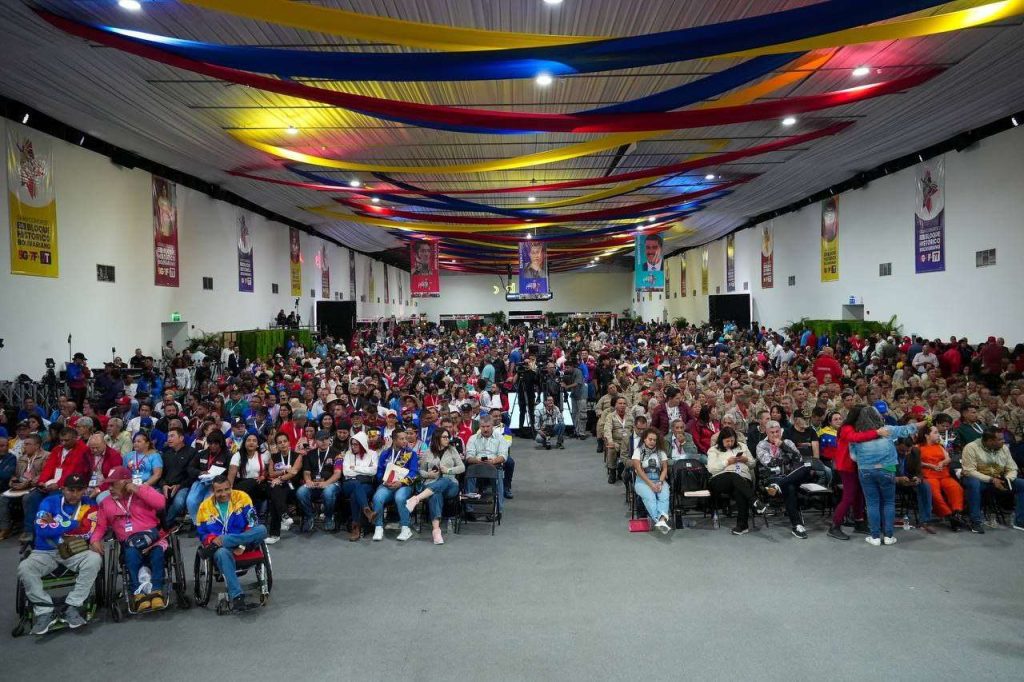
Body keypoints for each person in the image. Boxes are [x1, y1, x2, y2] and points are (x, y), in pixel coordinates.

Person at [17, 474, 100, 634]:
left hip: (75, 550)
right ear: (63, 489)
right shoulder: (48, 502)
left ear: (84, 490)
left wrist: (55, 523)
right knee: (25, 568)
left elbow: (88, 530)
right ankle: (44, 610)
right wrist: (74, 524)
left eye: (79, 490)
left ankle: (73, 605)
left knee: (94, 559)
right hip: (45, 551)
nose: (74, 494)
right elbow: (41, 529)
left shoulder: (90, 504)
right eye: (70, 490)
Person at [90, 466, 168, 611]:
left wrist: (137, 490)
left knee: (157, 552)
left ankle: (157, 590)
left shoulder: (143, 491)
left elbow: (161, 503)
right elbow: (100, 526)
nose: (110, 488)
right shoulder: (106, 502)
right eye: (109, 484)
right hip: (128, 543)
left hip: (152, 538)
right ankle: (138, 594)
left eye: (114, 484)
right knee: (130, 554)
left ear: (127, 482)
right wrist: (94, 540)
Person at [848, 406, 924, 545]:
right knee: (889, 502)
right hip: (887, 469)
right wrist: (927, 421)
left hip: (865, 470)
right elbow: (908, 429)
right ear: (877, 417)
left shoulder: (856, 435)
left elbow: (853, 457)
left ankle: (875, 537)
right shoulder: (888, 430)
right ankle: (889, 536)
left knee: (872, 503)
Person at [195, 475, 269, 613]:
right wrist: (211, 540)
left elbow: (252, 523)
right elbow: (202, 533)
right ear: (213, 491)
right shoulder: (204, 507)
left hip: (244, 544)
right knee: (222, 552)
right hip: (221, 548)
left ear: (231, 487)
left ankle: (226, 540)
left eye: (226, 489)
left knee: (262, 530)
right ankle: (237, 597)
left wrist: (242, 545)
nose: (223, 494)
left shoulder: (242, 497)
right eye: (219, 491)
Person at [25, 427, 90, 543]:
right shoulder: (57, 449)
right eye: (61, 440)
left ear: (75, 438)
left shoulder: (83, 450)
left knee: (51, 498)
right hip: (51, 483)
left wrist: (58, 485)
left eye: (67, 440)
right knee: (30, 498)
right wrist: (42, 481)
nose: (63, 443)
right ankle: (30, 531)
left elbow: (73, 470)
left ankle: (53, 529)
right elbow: (49, 467)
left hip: (68, 484)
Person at [754, 420, 813, 539]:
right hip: (772, 478)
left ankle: (779, 484)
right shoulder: (761, 445)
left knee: (807, 466)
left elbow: (798, 458)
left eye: (777, 431)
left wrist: (782, 446)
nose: (775, 435)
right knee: (789, 487)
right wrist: (787, 459)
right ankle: (797, 526)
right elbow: (769, 463)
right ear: (767, 432)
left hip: (789, 476)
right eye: (772, 432)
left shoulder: (787, 442)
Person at [405, 428, 465, 545]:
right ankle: (436, 531)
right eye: (444, 437)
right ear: (437, 438)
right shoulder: (428, 452)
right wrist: (429, 474)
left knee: (446, 479)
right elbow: (420, 471)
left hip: (451, 485)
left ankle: (417, 498)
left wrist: (449, 470)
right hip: (431, 484)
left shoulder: (452, 450)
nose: (447, 439)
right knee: (435, 494)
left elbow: (462, 467)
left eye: (448, 437)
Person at [960, 428, 1024, 533]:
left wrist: (1007, 480)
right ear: (990, 441)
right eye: (1000, 439)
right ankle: (975, 521)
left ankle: (1020, 521)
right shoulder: (971, 447)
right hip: (979, 480)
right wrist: (991, 479)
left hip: (999, 479)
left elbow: (1012, 468)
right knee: (973, 483)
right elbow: (969, 471)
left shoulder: (1004, 448)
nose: (1003, 441)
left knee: (1022, 484)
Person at [706, 427, 755, 535]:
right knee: (734, 475)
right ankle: (754, 500)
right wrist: (727, 462)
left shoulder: (742, 446)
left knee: (740, 489)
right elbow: (711, 469)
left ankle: (742, 525)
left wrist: (745, 460)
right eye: (727, 441)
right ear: (721, 440)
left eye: (732, 440)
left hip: (742, 478)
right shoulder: (714, 450)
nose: (730, 443)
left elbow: (753, 464)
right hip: (721, 479)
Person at [371, 429, 418, 541]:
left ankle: (405, 528)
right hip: (387, 484)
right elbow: (379, 471)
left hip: (404, 485)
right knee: (377, 498)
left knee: (400, 497)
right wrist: (384, 480)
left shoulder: (411, 454)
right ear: (394, 440)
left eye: (406, 438)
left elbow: (414, 473)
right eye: (401, 439)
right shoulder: (385, 453)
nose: (405, 441)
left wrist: (401, 482)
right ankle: (378, 527)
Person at [916, 425, 964, 531]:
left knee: (955, 488)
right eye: (935, 433)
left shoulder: (940, 446)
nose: (938, 435)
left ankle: (957, 513)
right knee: (935, 494)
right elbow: (916, 462)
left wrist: (942, 462)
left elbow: (948, 458)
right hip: (928, 476)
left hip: (944, 475)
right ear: (926, 435)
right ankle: (949, 515)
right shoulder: (918, 447)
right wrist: (930, 466)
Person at [0, 434, 48, 542]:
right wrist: (12, 481)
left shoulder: (46, 456)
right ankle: (5, 528)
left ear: (37, 446)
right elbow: (16, 475)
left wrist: (29, 482)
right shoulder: (22, 458)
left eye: (27, 444)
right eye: (24, 444)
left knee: (28, 498)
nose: (24, 446)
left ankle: (28, 530)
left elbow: (44, 474)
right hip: (21, 486)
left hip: (37, 487)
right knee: (2, 498)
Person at [296, 430, 341, 533]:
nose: (324, 441)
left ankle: (328, 517)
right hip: (314, 483)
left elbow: (337, 473)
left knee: (328, 492)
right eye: (321, 439)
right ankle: (309, 516)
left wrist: (326, 483)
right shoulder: (310, 454)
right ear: (316, 441)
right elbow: (306, 472)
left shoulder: (337, 453)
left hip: (331, 484)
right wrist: (308, 481)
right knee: (301, 492)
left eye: (326, 438)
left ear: (330, 439)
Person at [630, 427, 672, 534]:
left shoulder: (661, 452)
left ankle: (662, 521)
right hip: (643, 480)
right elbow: (639, 470)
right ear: (644, 439)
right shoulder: (638, 451)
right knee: (650, 497)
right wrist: (650, 484)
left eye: (654, 440)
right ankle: (659, 520)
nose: (652, 442)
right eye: (650, 439)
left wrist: (660, 482)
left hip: (658, 478)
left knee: (664, 496)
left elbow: (665, 469)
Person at [339, 431, 378, 542]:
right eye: (352, 444)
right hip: (349, 484)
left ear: (362, 444)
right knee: (356, 484)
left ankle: (355, 527)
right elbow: (346, 472)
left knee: (355, 495)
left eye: (356, 444)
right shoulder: (348, 454)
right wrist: (362, 472)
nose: (353, 446)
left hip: (366, 485)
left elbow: (373, 471)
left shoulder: (372, 454)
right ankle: (367, 511)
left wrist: (355, 468)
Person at [465, 416, 509, 511]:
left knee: (499, 477)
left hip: (494, 464)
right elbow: (468, 457)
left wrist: (493, 461)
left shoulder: (500, 438)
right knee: (469, 474)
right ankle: (469, 509)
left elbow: (503, 456)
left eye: (488, 426)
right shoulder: (473, 438)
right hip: (477, 464)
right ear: (479, 427)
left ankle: (498, 510)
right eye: (483, 426)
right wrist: (478, 460)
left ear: (492, 426)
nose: (485, 429)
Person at [265, 432, 303, 544]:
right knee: (276, 491)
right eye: (279, 442)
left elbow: (294, 472)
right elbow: (271, 473)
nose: (282, 444)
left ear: (289, 442)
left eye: (284, 441)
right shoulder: (274, 457)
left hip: (293, 488)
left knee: (275, 493)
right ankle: (284, 515)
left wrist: (280, 478)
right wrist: (285, 471)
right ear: (276, 445)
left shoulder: (297, 455)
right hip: (279, 487)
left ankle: (274, 534)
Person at [186, 431, 231, 522]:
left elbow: (229, 473)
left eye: (215, 443)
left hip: (217, 484)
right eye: (210, 443)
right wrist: (200, 472)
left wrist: (218, 477)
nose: (212, 446)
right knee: (191, 501)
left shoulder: (228, 455)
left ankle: (208, 524)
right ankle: (197, 523)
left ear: (221, 443)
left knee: (208, 501)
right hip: (201, 481)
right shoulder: (202, 453)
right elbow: (190, 468)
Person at [159, 426, 195, 527]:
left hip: (183, 486)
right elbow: (160, 474)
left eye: (172, 436)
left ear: (181, 438)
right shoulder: (166, 454)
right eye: (168, 437)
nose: (169, 439)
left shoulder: (191, 452)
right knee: (155, 499)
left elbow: (192, 476)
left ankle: (165, 525)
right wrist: (164, 485)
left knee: (179, 503)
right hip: (166, 486)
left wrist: (179, 485)